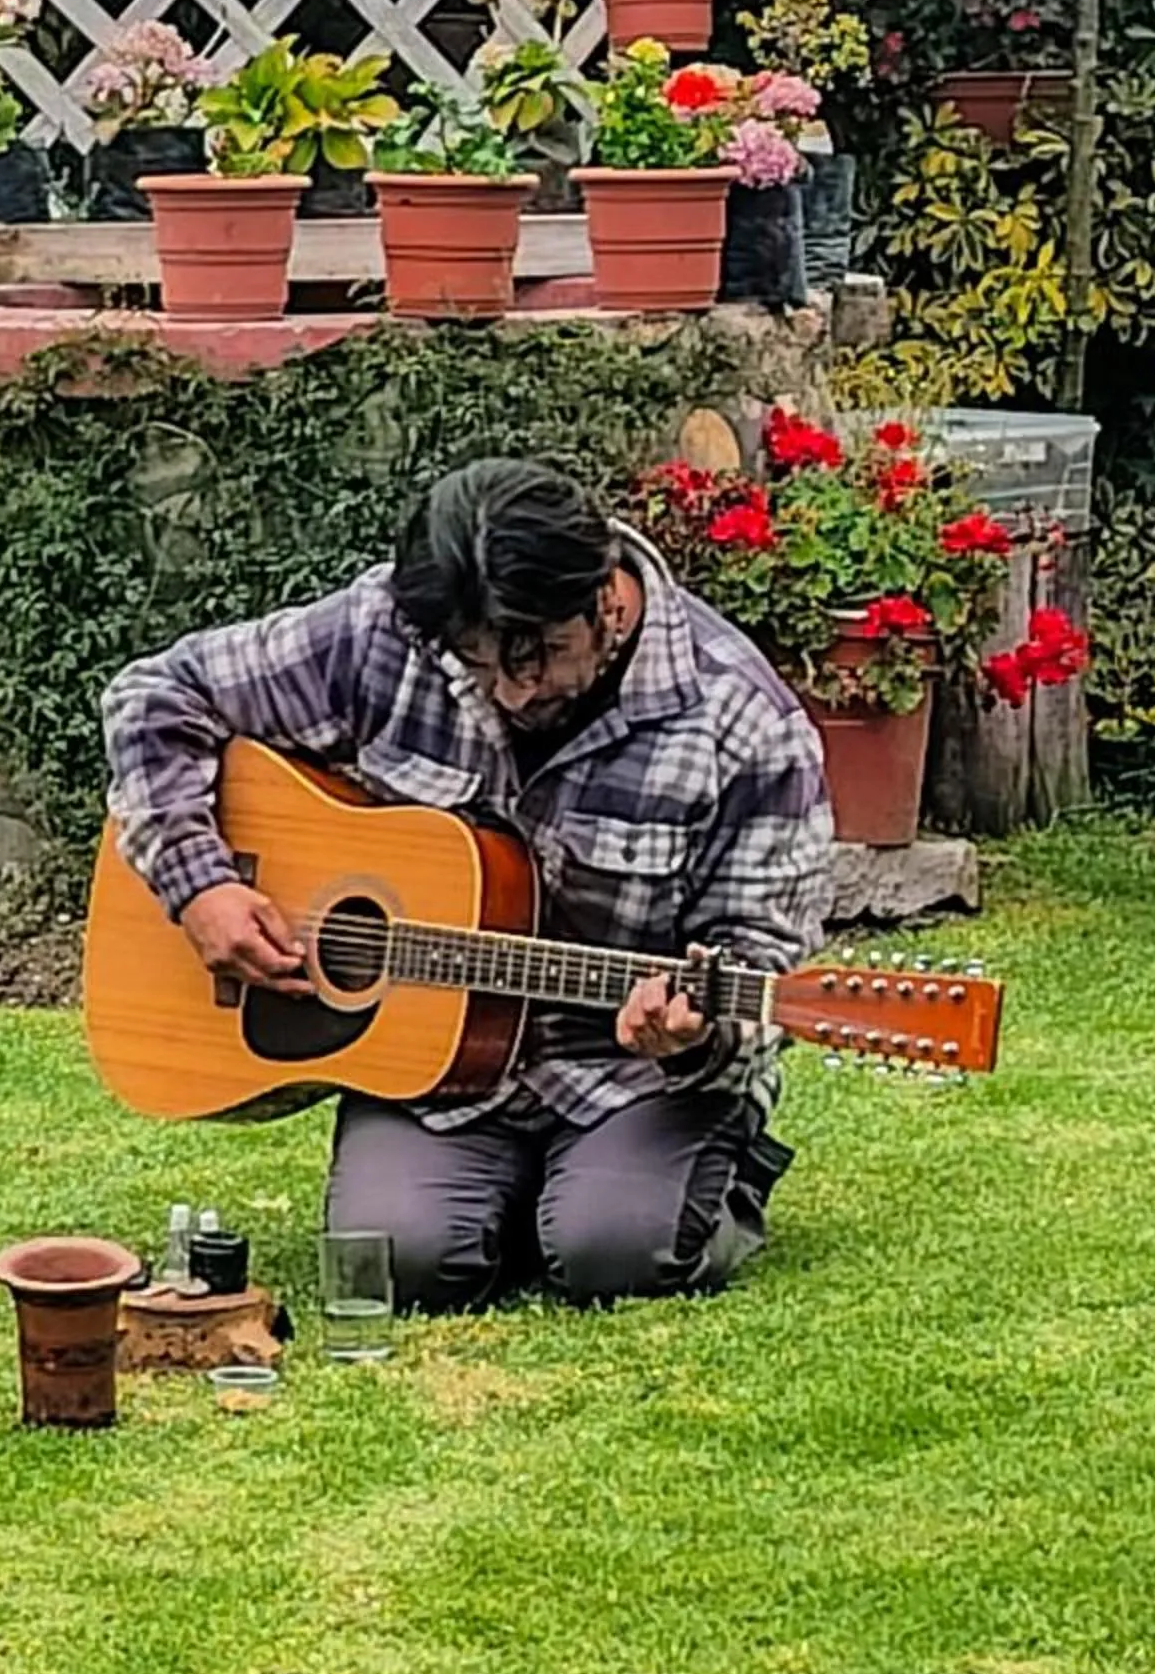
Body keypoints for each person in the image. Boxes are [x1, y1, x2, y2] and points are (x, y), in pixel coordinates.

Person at [100, 457, 833, 1310]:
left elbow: (762, 957)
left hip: (629, 1075)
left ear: (605, 593)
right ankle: (517, 1188)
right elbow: (155, 695)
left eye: (547, 653)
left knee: (614, 1253)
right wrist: (200, 886)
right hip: (438, 1070)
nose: (517, 690)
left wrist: (693, 1032)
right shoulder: (387, 630)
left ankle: (668, 1180)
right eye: (483, 665)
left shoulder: (742, 720)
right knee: (397, 1263)